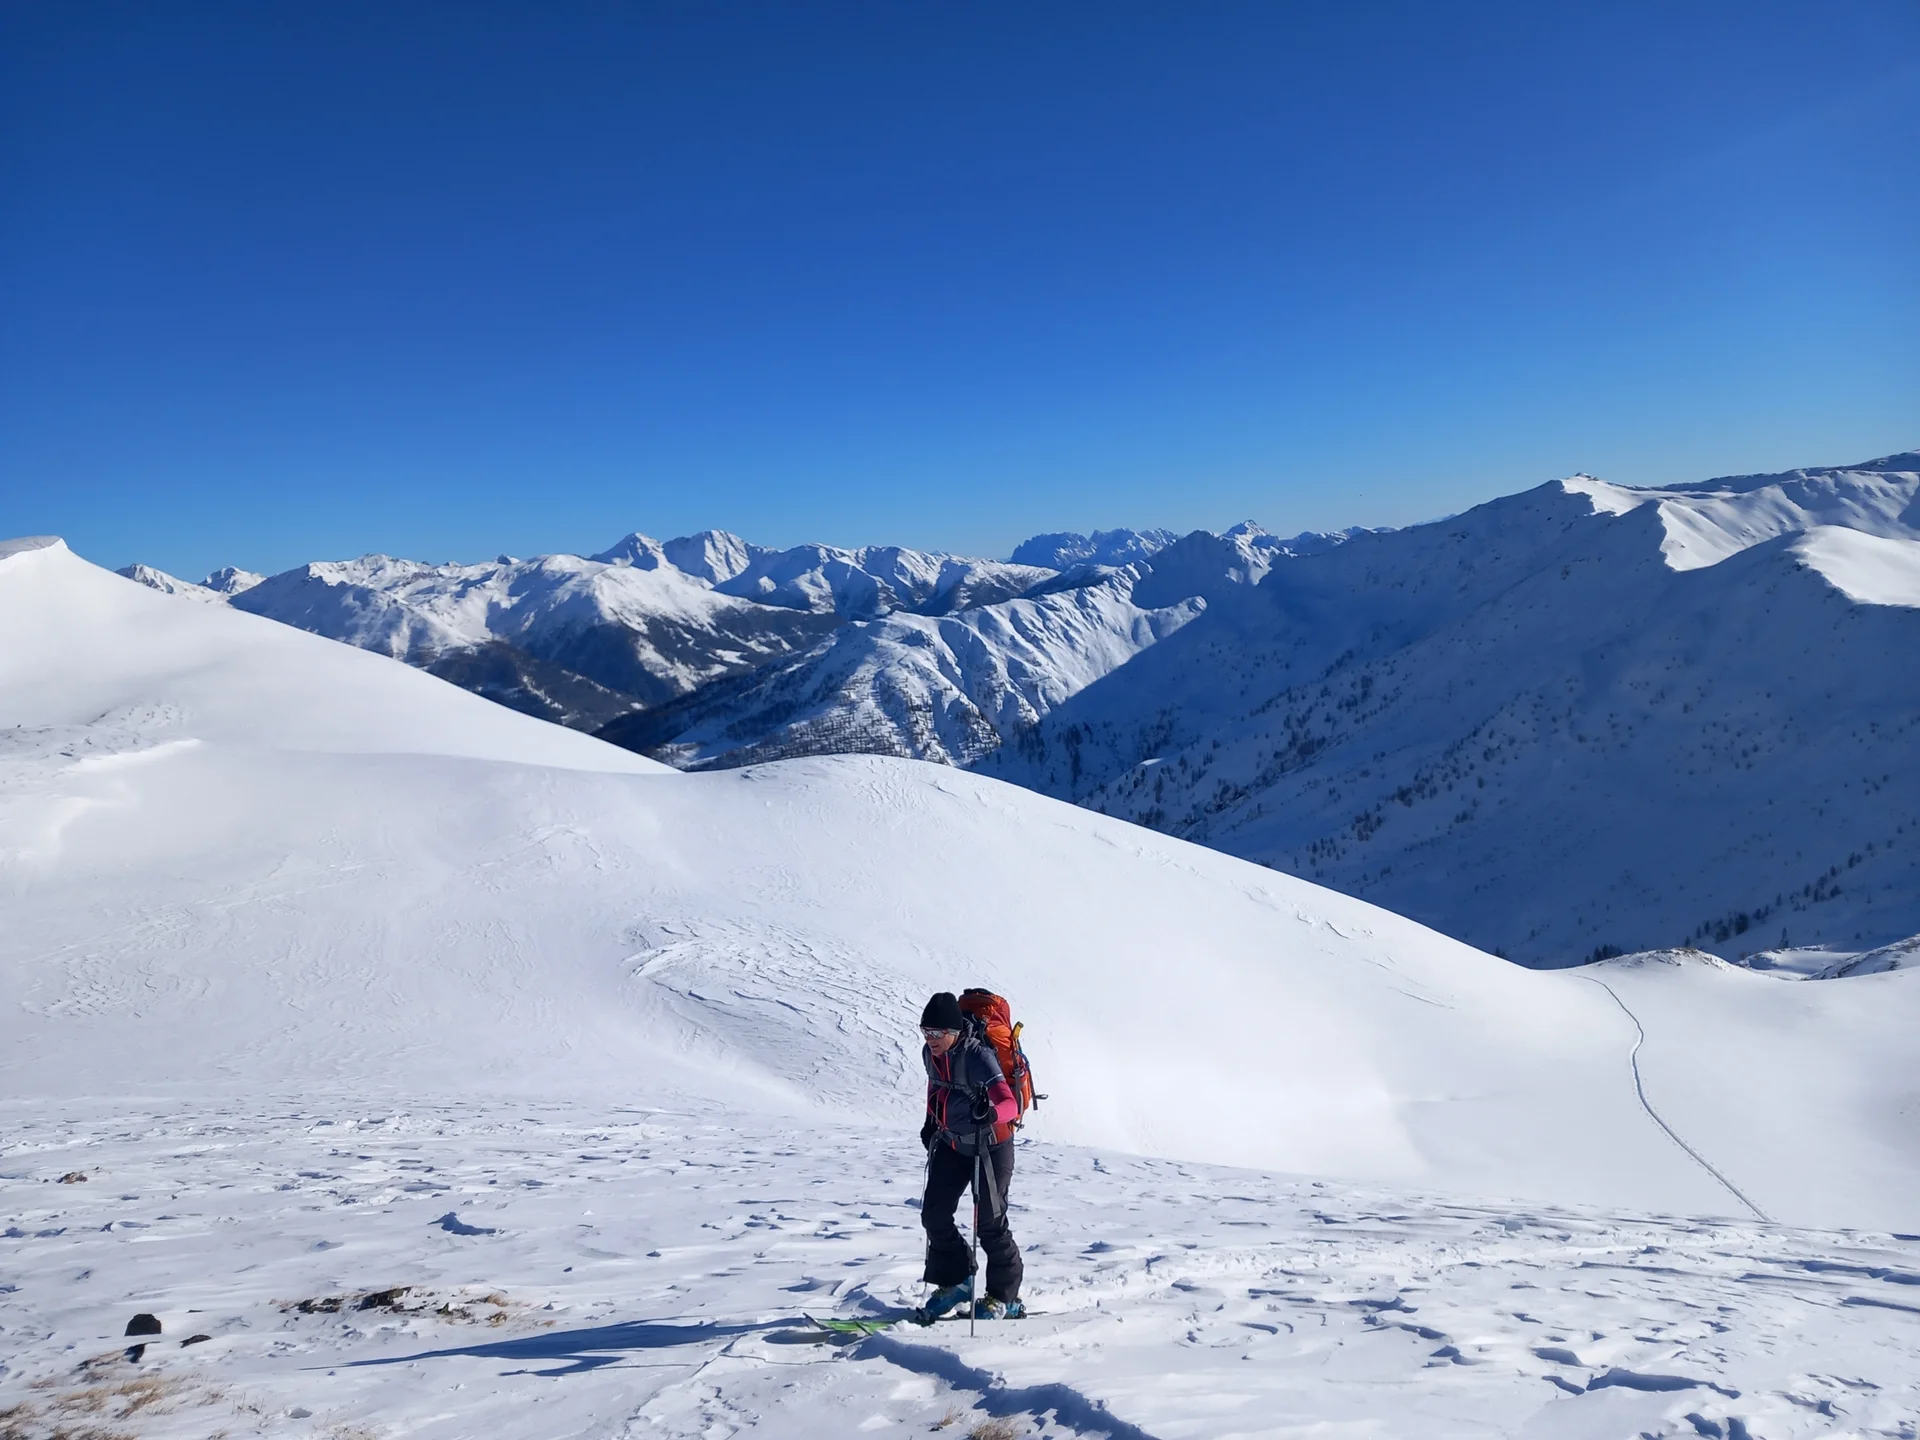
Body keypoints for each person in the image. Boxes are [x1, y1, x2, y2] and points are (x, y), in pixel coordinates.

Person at [913, 991, 1024, 1322]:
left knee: (989, 1223)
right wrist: (931, 1121)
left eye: (937, 1034)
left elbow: (1010, 1105)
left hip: (990, 1145)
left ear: (954, 1032)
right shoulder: (929, 1054)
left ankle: (1004, 1297)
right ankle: (958, 1282)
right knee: (934, 1213)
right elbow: (936, 1087)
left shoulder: (977, 1056)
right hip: (952, 1143)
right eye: (925, 1032)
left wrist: (989, 1112)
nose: (930, 1040)